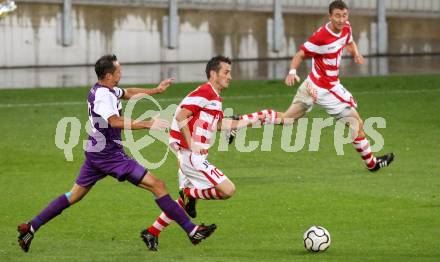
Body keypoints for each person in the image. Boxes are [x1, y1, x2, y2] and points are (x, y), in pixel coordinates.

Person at [17, 54, 216, 253]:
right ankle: (192, 231)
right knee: (158, 185)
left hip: (96, 152)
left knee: (74, 195)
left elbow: (128, 92)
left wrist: (155, 90)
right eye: (118, 71)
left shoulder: (106, 89)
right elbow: (114, 122)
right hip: (109, 156)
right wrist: (147, 123)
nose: (121, 74)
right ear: (109, 75)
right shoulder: (104, 96)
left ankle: (31, 227)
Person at [234, 0, 394, 172]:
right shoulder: (321, 37)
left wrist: (355, 53)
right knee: (356, 123)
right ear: (330, 17)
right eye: (337, 16)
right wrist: (292, 72)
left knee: (287, 119)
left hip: (311, 84)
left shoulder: (346, 27)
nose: (341, 19)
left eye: (344, 15)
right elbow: (300, 54)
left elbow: (348, 41)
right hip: (326, 89)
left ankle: (238, 123)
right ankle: (372, 164)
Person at [140, 55, 266, 251]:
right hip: (190, 154)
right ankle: (190, 193)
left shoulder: (214, 97)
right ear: (213, 74)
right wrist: (190, 144)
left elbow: (216, 124)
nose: (230, 76)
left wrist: (247, 122)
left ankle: (152, 232)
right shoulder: (206, 92)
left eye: (230, 72)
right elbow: (181, 115)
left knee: (182, 203)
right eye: (226, 72)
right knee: (227, 190)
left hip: (189, 154)